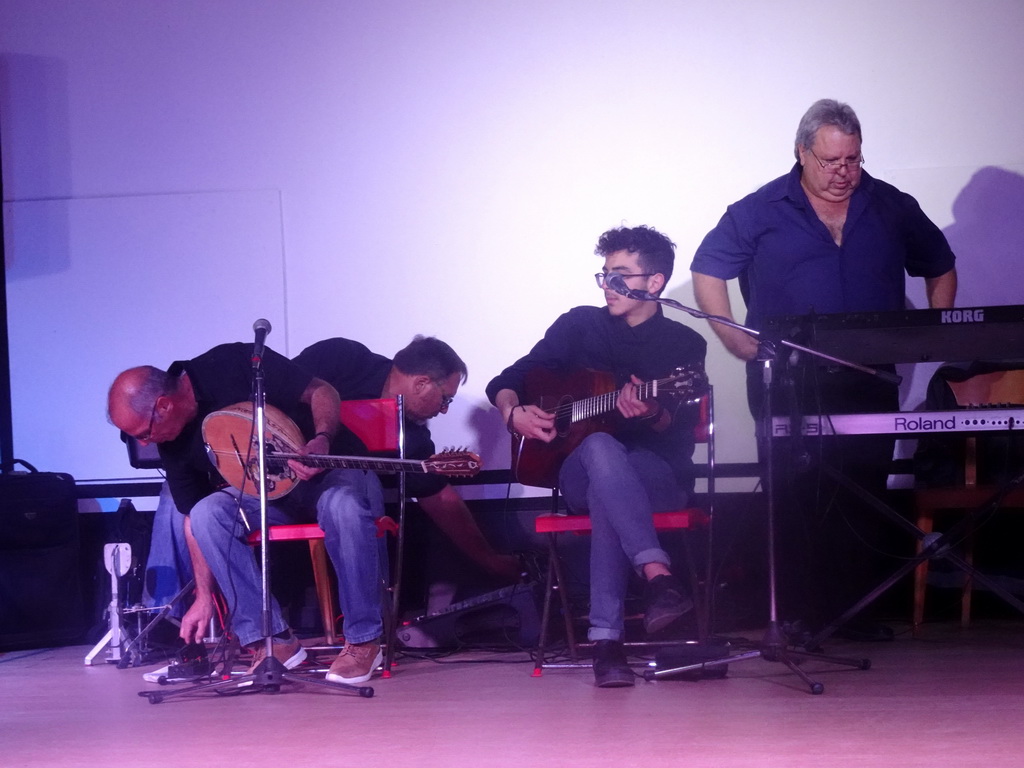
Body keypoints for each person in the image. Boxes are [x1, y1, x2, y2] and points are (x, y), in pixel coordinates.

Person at [690, 98, 958, 641]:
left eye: (853, 160)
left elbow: (940, 264)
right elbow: (707, 269)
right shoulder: (758, 209)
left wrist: (933, 331)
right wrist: (731, 334)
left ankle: (853, 614)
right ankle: (792, 615)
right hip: (786, 379)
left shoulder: (889, 205)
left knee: (863, 488)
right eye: (832, 162)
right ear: (802, 153)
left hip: (870, 375)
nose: (844, 173)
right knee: (792, 492)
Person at [486, 225, 708, 687]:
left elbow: (679, 428)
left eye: (621, 275)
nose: (609, 286)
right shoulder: (578, 326)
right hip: (576, 474)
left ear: (655, 282)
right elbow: (509, 379)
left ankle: (606, 643)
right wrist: (513, 414)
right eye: (605, 275)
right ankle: (658, 576)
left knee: (611, 483)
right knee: (600, 447)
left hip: (659, 476)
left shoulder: (685, 346)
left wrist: (650, 414)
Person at [291, 335, 522, 586]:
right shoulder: (340, 358)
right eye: (446, 399)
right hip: (271, 485)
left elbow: (439, 497)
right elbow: (276, 388)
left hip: (336, 508)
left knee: (356, 491)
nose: (444, 410)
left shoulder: (412, 437)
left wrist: (489, 560)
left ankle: (369, 623)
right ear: (422, 383)